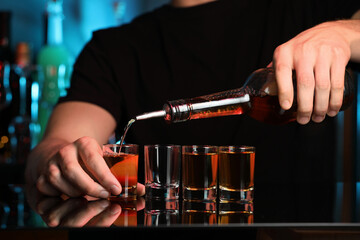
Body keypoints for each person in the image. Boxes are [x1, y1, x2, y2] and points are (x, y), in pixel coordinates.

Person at [26, 0, 360, 200]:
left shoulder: (306, 10)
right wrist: (60, 161)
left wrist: (343, 34)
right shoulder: (112, 49)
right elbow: (57, 145)